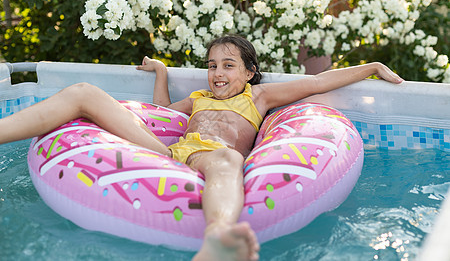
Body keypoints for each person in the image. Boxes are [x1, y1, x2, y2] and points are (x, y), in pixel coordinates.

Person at [0, 35, 403, 260]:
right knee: (83, 91)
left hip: (218, 159)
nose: (217, 73)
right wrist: (161, 71)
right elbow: (157, 113)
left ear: (249, 72)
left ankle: (218, 240)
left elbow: (316, 84)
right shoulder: (196, 99)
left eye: (228, 65)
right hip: (172, 154)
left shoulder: (259, 98)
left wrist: (371, 67)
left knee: (227, 158)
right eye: (212, 65)